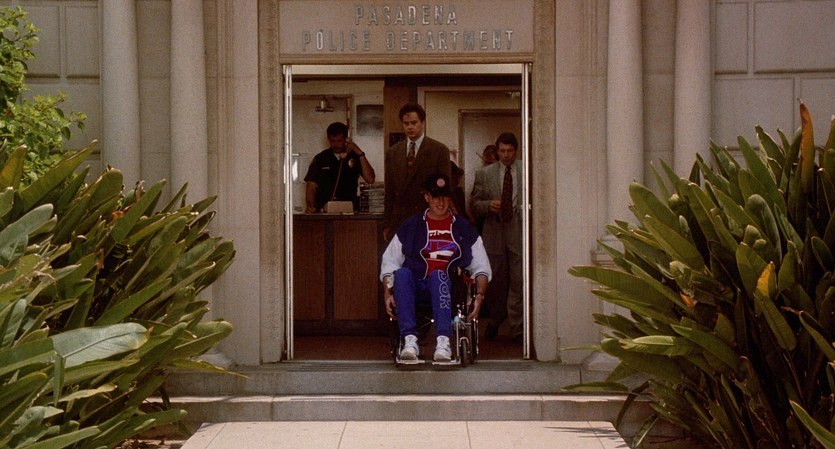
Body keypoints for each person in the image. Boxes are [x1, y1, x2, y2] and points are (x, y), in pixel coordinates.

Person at [380, 173, 491, 362]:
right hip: (416, 287)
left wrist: (479, 295)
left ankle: (443, 341)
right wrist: (387, 291)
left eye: (445, 197)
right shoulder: (411, 226)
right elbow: (389, 262)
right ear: (427, 197)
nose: (441, 202)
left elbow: (481, 266)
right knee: (402, 274)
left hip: (449, 287)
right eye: (435, 197)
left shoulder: (463, 228)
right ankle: (410, 340)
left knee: (438, 275)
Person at [470, 132, 523, 344]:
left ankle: (517, 328)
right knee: (494, 279)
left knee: (519, 279)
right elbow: (475, 204)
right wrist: (488, 205)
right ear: (497, 150)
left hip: (518, 228)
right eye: (502, 151)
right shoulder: (485, 174)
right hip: (493, 230)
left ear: (516, 150)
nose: (506, 155)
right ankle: (496, 318)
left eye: (510, 151)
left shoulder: (527, 170)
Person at [383, 103, 451, 241]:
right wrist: (387, 223)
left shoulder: (438, 150)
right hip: (399, 219)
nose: (410, 127)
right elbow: (389, 191)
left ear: (422, 123)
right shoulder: (393, 152)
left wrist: (442, 219)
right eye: (406, 123)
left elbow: (444, 190)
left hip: (427, 216)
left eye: (414, 123)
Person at [304, 121, 375, 213]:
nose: (336, 145)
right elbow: (311, 186)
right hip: (324, 209)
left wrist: (359, 153)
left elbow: (370, 179)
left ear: (346, 139)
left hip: (349, 209)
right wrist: (311, 206)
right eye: (332, 141)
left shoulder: (354, 157)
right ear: (328, 139)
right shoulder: (320, 158)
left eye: (339, 141)